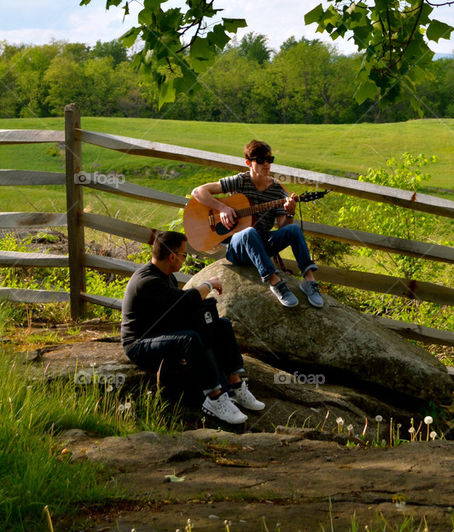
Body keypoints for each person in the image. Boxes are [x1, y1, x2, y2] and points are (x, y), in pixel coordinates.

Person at [121, 229, 265, 426]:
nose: (185, 259)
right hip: (139, 344)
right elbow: (184, 300)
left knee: (220, 325)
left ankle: (235, 386)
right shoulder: (147, 281)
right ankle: (214, 398)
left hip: (162, 333)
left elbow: (179, 309)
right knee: (189, 339)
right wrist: (209, 284)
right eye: (184, 254)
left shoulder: (166, 275)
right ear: (172, 257)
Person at [191, 139, 324, 309]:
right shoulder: (240, 181)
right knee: (248, 232)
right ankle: (275, 282)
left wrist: (289, 212)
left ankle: (309, 281)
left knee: (293, 230)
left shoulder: (277, 190)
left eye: (270, 159)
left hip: (263, 244)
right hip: (238, 247)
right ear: (249, 163)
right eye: (260, 160)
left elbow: (283, 227)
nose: (266, 164)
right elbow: (198, 192)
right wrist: (222, 208)